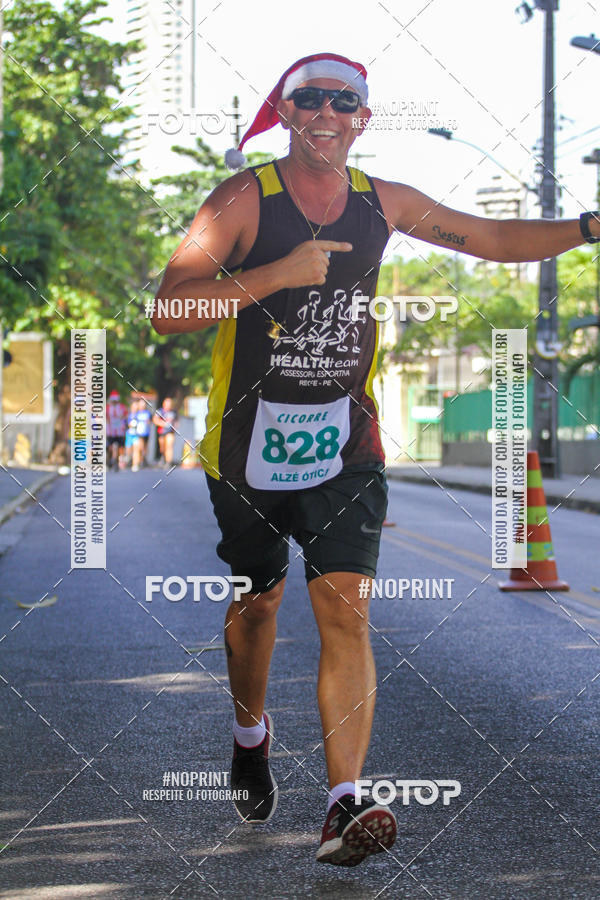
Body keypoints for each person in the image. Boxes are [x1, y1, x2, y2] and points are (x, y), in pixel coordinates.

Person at [151, 52, 600, 866]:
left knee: (346, 608)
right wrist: (276, 273)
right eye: (310, 100)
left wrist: (589, 228)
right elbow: (170, 306)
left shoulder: (380, 202)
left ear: (364, 115)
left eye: (343, 101)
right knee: (258, 605)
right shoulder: (245, 199)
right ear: (287, 115)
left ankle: (342, 806)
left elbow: (491, 235)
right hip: (247, 446)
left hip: (344, 442)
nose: (327, 112)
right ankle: (250, 734)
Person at [106, 391, 128, 471]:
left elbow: (126, 415)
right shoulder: (108, 407)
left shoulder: (122, 407)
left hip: (119, 430)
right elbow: (105, 416)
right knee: (110, 447)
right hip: (110, 431)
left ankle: (118, 461)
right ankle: (110, 460)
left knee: (120, 447)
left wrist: (122, 419)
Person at [153, 397, 178, 467]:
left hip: (170, 432)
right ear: (164, 404)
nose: (168, 405)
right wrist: (163, 424)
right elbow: (155, 420)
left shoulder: (174, 412)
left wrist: (175, 427)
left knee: (169, 446)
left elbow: (176, 421)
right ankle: (163, 457)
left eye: (170, 403)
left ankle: (168, 462)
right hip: (162, 432)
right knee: (162, 447)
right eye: (167, 403)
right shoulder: (160, 411)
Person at [133, 399, 152, 471]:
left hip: (146, 432)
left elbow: (150, 422)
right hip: (139, 433)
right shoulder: (136, 413)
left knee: (145, 447)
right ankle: (139, 461)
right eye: (141, 404)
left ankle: (143, 459)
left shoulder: (148, 413)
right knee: (139, 447)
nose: (142, 405)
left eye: (143, 404)